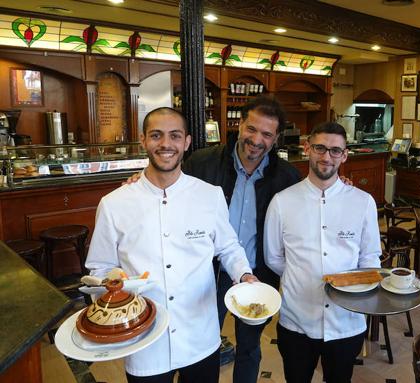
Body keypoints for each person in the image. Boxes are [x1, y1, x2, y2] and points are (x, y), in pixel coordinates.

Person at [86, 107, 257, 383]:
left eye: (174, 136)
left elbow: (228, 247)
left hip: (200, 335)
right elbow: (101, 266)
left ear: (187, 142)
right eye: (156, 135)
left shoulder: (209, 195)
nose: (166, 144)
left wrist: (244, 274)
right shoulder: (114, 203)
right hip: (143, 339)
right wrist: (110, 293)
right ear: (143, 140)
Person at [183, 96, 300, 382]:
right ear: (239, 125)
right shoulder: (202, 162)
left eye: (266, 134)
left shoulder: (287, 177)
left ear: (275, 139)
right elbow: (169, 189)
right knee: (202, 344)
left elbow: (313, 199)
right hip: (209, 271)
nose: (256, 139)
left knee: (249, 346)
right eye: (251, 129)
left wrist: (342, 184)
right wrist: (138, 179)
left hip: (258, 274)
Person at [264, 122, 382, 383]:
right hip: (296, 321)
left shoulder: (363, 202)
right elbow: (273, 257)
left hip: (346, 321)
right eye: (320, 148)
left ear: (345, 155)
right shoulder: (282, 202)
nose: (326, 157)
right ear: (308, 148)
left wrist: (355, 288)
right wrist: (303, 276)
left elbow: (370, 257)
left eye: (335, 150)